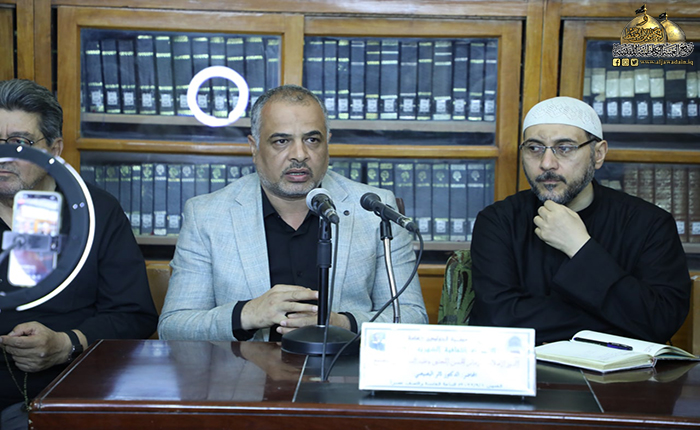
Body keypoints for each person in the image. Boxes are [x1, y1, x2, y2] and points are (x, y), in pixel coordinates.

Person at [158, 84, 427, 342]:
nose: (299, 154)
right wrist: (246, 314)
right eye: (281, 141)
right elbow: (174, 326)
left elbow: (412, 318)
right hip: (246, 371)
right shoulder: (207, 215)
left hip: (342, 368)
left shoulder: (374, 209)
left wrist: (342, 324)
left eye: (312, 140)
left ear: (327, 143)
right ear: (254, 147)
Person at [470, 96, 691, 345]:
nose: (546, 163)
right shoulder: (498, 221)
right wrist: (620, 322)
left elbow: (662, 319)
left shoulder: (649, 224)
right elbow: (497, 319)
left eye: (564, 148)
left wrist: (580, 247)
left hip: (620, 370)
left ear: (598, 154)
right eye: (534, 148)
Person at [0, 79, 158, 429]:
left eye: (20, 143)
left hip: (72, 391)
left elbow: (134, 315)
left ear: (54, 149)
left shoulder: (97, 210)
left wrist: (66, 343)